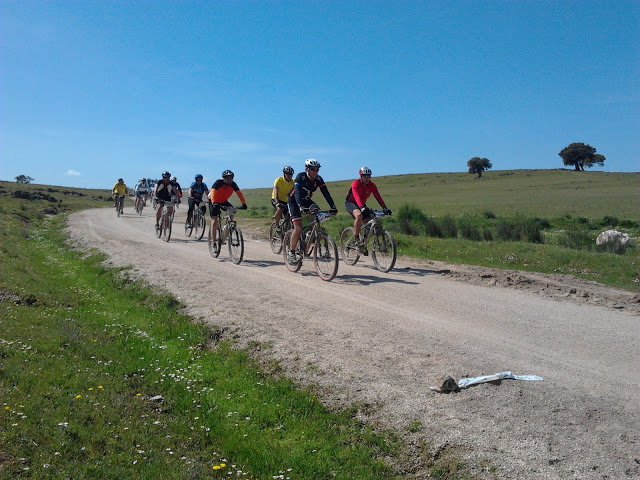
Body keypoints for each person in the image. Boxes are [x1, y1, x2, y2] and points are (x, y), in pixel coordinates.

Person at [287, 159, 338, 262]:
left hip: (306, 201)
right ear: (307, 169)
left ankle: (310, 235)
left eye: (317, 169)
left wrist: (333, 206)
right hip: (294, 201)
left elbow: (326, 193)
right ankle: (291, 252)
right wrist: (301, 206)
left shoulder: (319, 179)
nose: (315, 171)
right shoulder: (300, 177)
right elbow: (297, 193)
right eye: (313, 169)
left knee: (318, 215)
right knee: (298, 228)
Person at [345, 167, 392, 244]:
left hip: (362, 205)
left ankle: (363, 242)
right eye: (365, 177)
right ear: (361, 177)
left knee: (369, 222)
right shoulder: (355, 184)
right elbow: (357, 197)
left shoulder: (372, 185)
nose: (367, 179)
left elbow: (378, 197)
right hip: (351, 203)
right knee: (359, 215)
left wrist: (384, 208)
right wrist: (361, 207)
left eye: (368, 177)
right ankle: (356, 238)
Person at [208, 170, 247, 247]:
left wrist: (244, 204)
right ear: (224, 179)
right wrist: (214, 203)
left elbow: (239, 194)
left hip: (223, 201)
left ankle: (225, 233)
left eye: (231, 178)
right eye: (228, 178)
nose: (230, 180)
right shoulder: (218, 183)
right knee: (214, 220)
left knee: (231, 213)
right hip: (213, 201)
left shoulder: (233, 184)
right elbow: (213, 192)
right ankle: (213, 242)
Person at [271, 166, 294, 231]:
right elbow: (275, 193)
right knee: (280, 209)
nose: (289, 176)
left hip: (285, 201)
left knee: (290, 215)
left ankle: (287, 230)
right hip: (276, 198)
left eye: (291, 174)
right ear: (284, 174)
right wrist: (277, 203)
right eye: (288, 174)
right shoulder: (279, 180)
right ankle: (276, 225)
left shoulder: (293, 182)